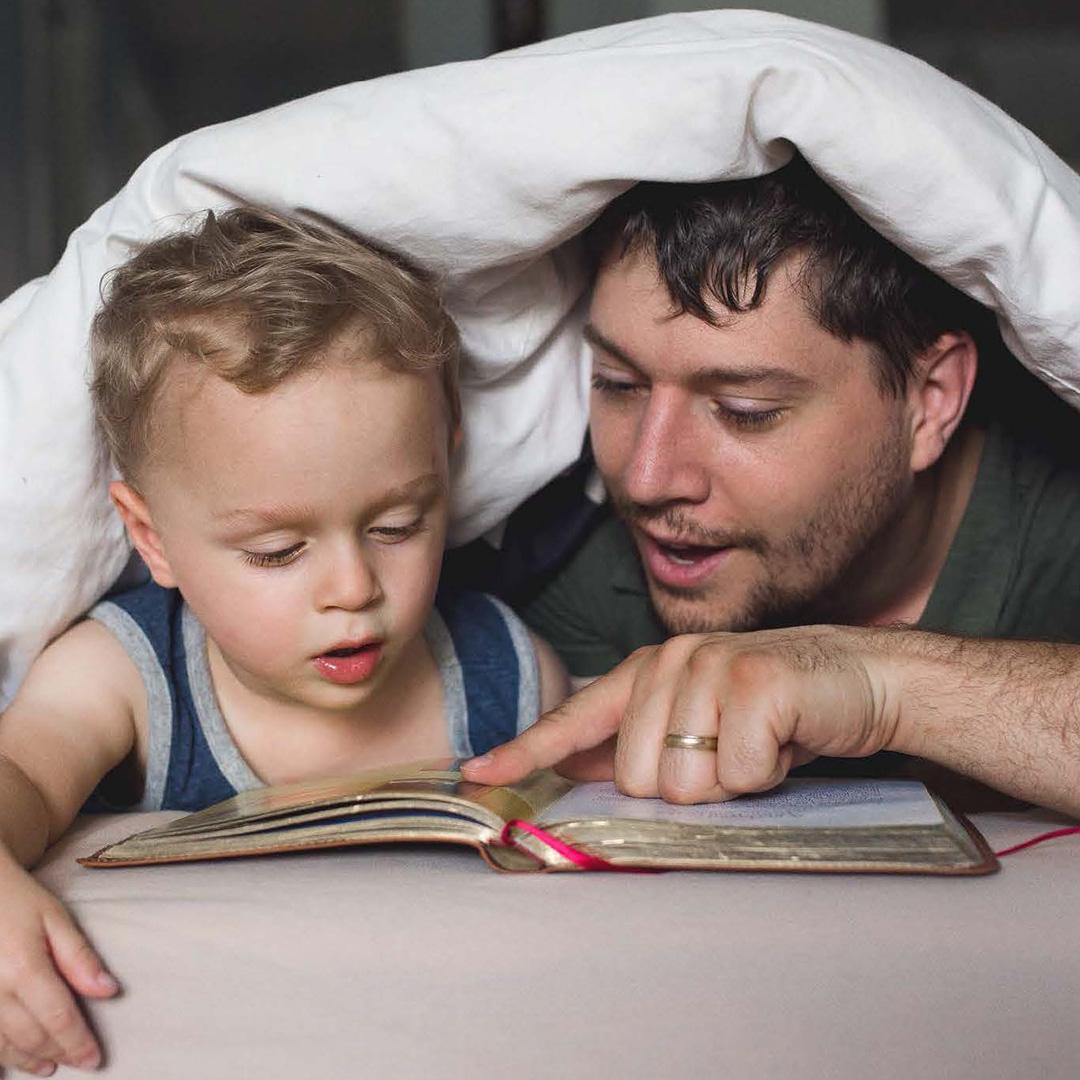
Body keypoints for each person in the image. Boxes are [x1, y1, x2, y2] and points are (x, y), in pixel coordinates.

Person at [0, 208, 568, 1076]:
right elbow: (25, 773)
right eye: (277, 551)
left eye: (396, 524)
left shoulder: (512, 676)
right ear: (153, 540)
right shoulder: (119, 677)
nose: (351, 590)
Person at [462, 154, 1080, 819]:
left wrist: (886, 687)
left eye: (744, 410)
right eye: (617, 384)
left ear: (929, 402)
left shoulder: (1058, 521)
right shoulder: (581, 560)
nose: (646, 478)